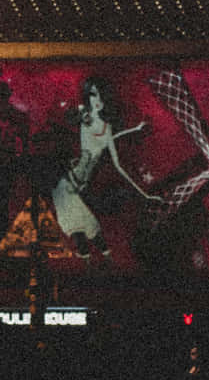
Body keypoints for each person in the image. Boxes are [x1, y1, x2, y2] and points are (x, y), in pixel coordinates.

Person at [52, 76, 159, 258]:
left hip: (79, 186)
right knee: (85, 236)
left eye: (102, 95)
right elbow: (71, 114)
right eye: (93, 94)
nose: (98, 100)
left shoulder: (106, 127)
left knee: (93, 236)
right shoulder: (84, 116)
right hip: (68, 186)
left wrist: (144, 194)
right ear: (88, 97)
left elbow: (118, 164)